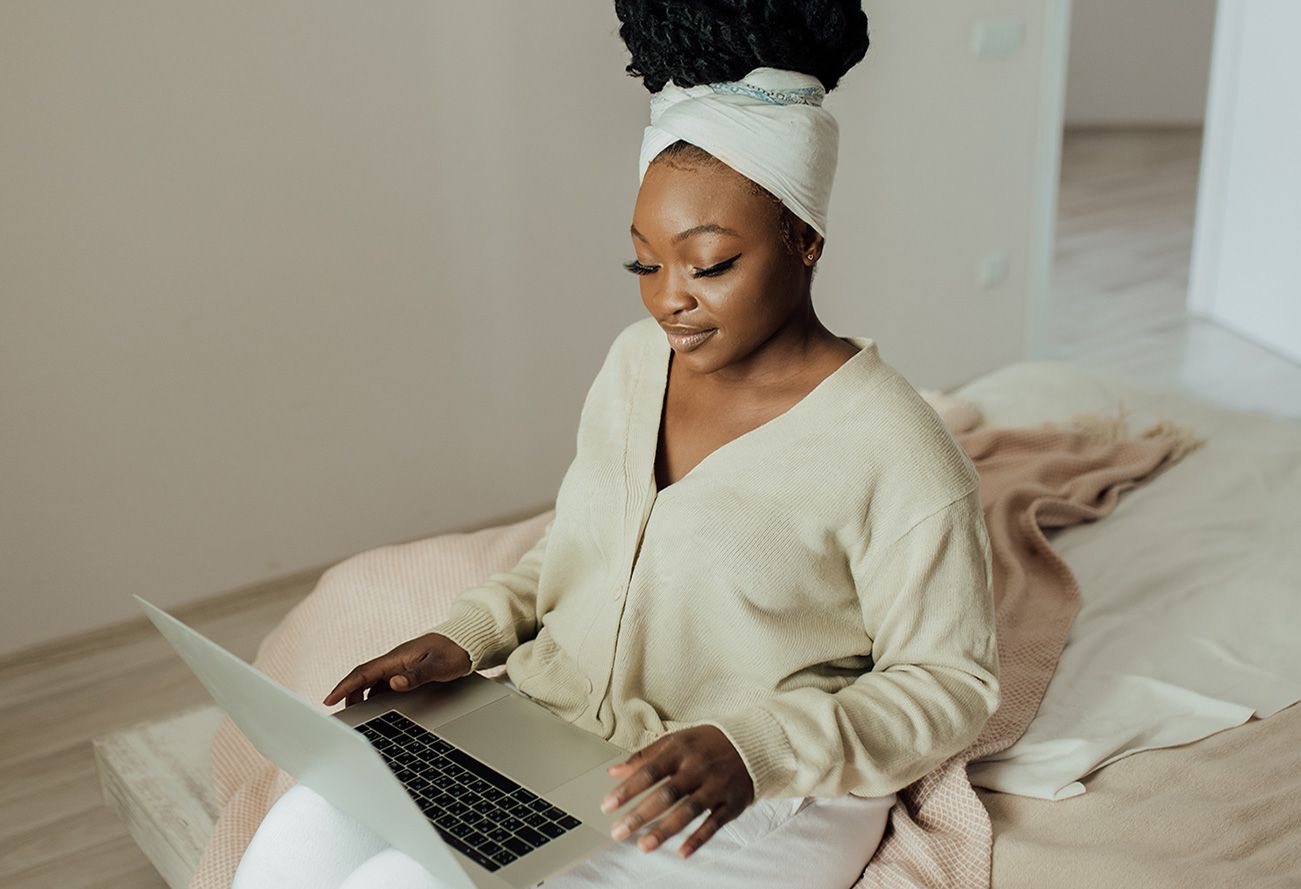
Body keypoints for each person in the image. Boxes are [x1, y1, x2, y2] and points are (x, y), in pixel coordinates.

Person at [233, 2, 1002, 887]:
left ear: (806, 240)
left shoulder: (894, 446)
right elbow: (580, 542)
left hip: (750, 789)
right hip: (553, 727)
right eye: (645, 264)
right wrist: (467, 634)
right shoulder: (636, 363)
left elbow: (951, 683)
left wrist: (748, 749)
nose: (670, 299)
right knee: (300, 827)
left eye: (709, 264)